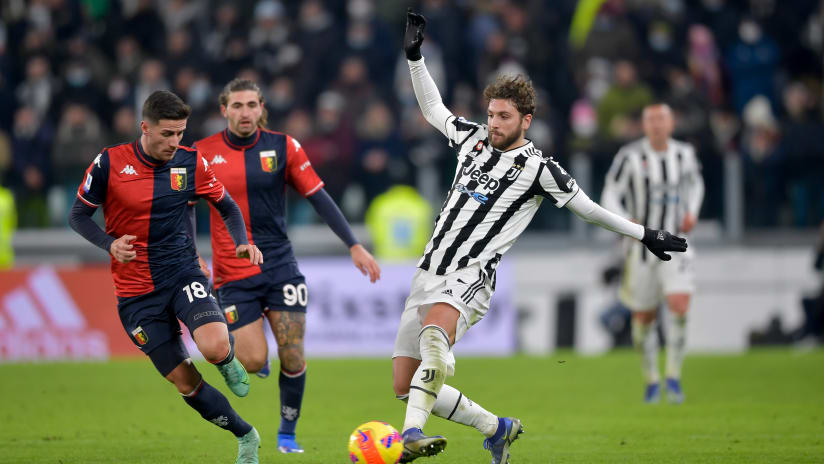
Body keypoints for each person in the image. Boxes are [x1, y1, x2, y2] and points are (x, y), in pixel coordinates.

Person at [397, 10, 688, 464]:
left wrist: (645, 233)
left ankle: (410, 436)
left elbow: (588, 209)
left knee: (436, 335)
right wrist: (415, 58)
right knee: (405, 383)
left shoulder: (540, 169)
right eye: (491, 114)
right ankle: (497, 429)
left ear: (526, 120)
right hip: (429, 270)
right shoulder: (471, 139)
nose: (493, 124)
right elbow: (434, 109)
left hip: (472, 275)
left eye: (504, 117)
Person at [68, 90, 264, 464]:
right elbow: (78, 215)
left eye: (180, 133)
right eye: (167, 134)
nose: (176, 142)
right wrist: (109, 244)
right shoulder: (109, 163)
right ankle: (246, 435)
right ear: (145, 128)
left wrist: (242, 242)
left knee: (214, 346)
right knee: (185, 382)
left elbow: (228, 205)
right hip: (136, 292)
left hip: (181, 272)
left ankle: (226, 360)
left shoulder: (191, 163)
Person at [193, 78, 381, 454]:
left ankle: (287, 434)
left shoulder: (283, 146)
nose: (245, 112)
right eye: (237, 105)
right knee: (253, 359)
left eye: (251, 105)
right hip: (233, 273)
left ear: (262, 108)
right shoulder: (200, 153)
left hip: (280, 266)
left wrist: (354, 244)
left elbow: (318, 197)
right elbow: (180, 207)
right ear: (224, 110)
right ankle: (255, 359)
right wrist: (191, 254)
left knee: (293, 353)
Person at [600, 103, 705, 404]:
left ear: (672, 123)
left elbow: (696, 185)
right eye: (651, 120)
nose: (657, 125)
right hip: (642, 248)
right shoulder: (629, 156)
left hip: (677, 243)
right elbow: (610, 192)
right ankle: (651, 380)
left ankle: (673, 377)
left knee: (679, 304)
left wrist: (693, 212)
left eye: (662, 119)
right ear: (644, 125)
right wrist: (623, 220)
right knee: (644, 318)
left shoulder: (684, 154)